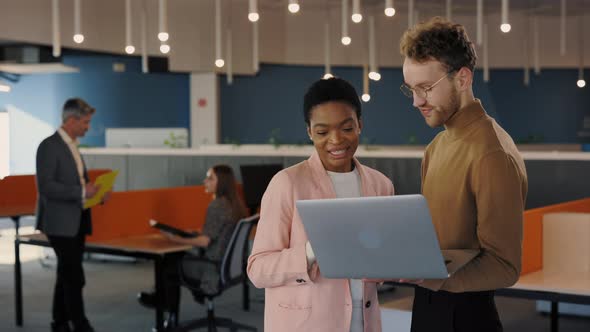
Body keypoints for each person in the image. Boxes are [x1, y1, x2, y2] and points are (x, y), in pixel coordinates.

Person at [398, 17, 528, 332]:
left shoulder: (491, 153)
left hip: (466, 317)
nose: (417, 102)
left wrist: (429, 276)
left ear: (462, 79)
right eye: (411, 89)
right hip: (427, 306)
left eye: (426, 88)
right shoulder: (436, 146)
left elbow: (504, 266)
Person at [247, 77, 394, 332]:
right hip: (306, 324)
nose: (336, 140)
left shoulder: (381, 185)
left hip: (364, 320)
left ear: (360, 124)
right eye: (323, 132)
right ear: (309, 132)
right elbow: (258, 269)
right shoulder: (287, 184)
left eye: (346, 128)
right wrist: (312, 251)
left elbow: (383, 261)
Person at [137, 164, 248, 326]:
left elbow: (205, 241)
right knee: (177, 257)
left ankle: (166, 307)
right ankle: (179, 301)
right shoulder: (236, 205)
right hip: (229, 267)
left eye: (210, 178)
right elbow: (217, 234)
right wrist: (191, 235)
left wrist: (176, 239)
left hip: (212, 267)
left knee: (168, 263)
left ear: (222, 183)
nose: (205, 181)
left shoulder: (217, 205)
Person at [36, 98, 108, 332]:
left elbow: (79, 182)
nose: (88, 127)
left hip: (77, 218)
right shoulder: (49, 146)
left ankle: (59, 322)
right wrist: (81, 191)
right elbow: (46, 187)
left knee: (66, 273)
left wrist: (96, 192)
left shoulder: (73, 145)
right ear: (71, 120)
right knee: (74, 276)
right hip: (59, 222)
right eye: (85, 122)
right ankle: (80, 323)